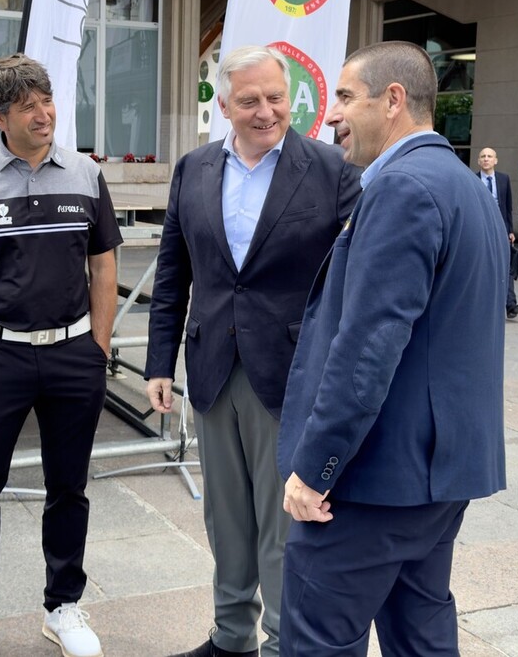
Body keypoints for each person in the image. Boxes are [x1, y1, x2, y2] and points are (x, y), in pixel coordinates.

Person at [277, 41, 508, 657]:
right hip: (436, 478)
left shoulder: (402, 187)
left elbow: (367, 347)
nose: (331, 115)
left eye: (347, 97)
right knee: (421, 635)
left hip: (374, 482)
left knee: (318, 638)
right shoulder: (461, 185)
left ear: (395, 101)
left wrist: (315, 466)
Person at [145, 45, 361, 657]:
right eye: (250, 100)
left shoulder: (330, 169)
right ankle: (230, 634)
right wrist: (160, 362)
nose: (267, 111)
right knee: (226, 519)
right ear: (222, 103)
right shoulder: (193, 169)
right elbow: (172, 272)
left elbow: (356, 277)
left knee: (280, 526)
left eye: (276, 97)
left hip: (289, 372)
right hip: (213, 366)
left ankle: (282, 643)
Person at [0, 54, 122, 657]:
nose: (44, 114)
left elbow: (104, 264)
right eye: (28, 106)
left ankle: (63, 605)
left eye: (47, 101)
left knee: (70, 486)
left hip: (72, 355)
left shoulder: (86, 175)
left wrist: (99, 348)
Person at [477, 147, 518, 318]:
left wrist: (510, 230)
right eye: (483, 156)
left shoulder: (503, 179)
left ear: (495, 160)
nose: (486, 159)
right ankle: (482, 305)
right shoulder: (473, 179)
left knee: (506, 267)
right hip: (481, 230)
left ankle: (510, 306)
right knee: (482, 267)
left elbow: (508, 207)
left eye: (489, 156)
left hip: (500, 229)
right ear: (478, 161)